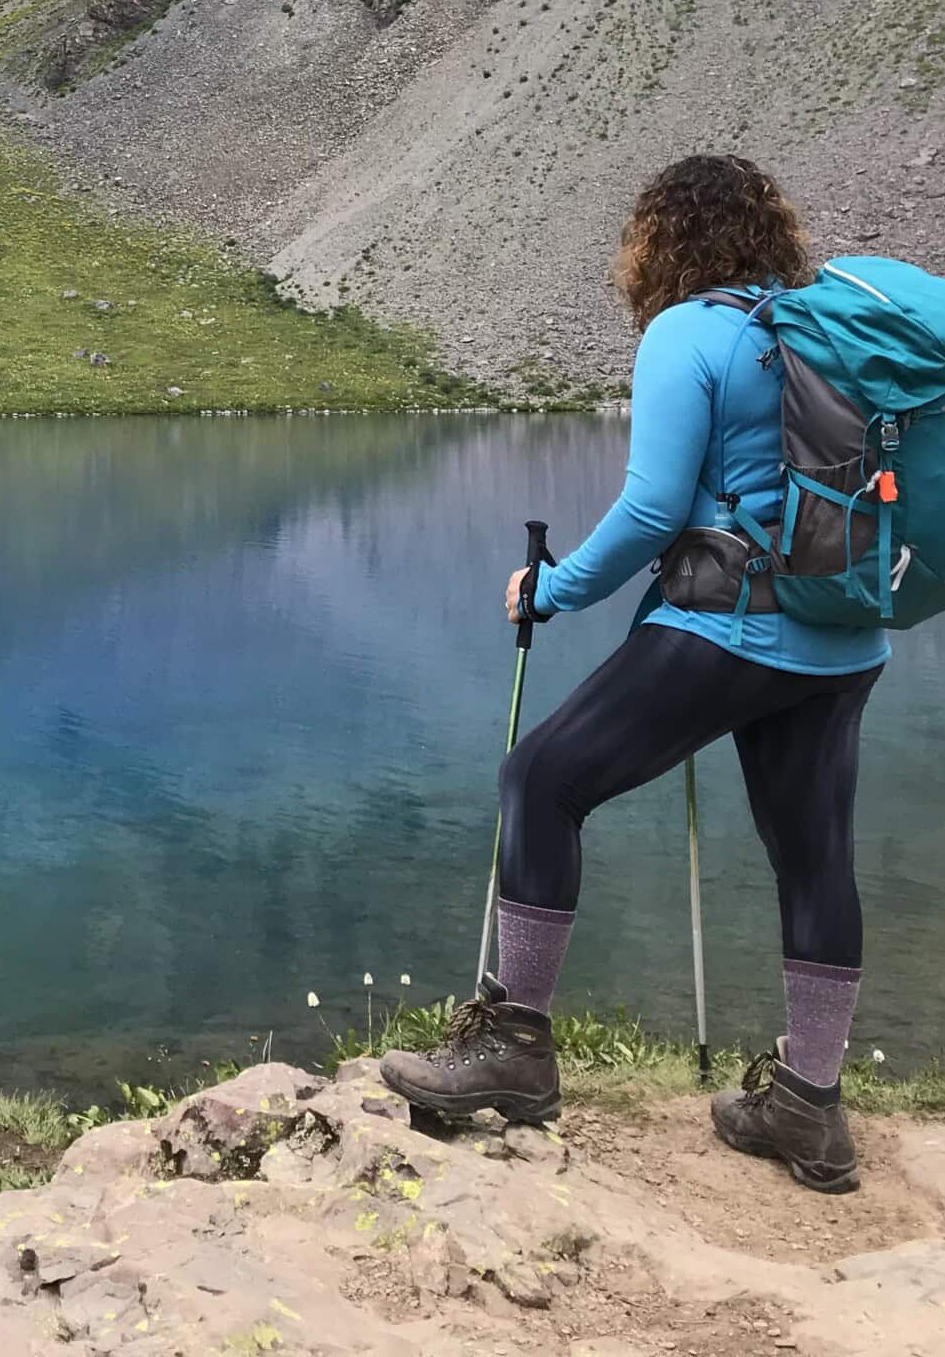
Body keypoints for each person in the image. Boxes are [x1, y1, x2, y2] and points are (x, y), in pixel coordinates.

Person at [380, 154, 887, 1194]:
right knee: (813, 853)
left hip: (729, 625)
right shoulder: (822, 327)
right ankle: (809, 1107)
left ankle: (512, 1049)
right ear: (768, 232)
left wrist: (553, 588)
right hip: (844, 633)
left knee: (541, 780)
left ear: (663, 241)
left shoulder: (685, 334)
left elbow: (655, 510)